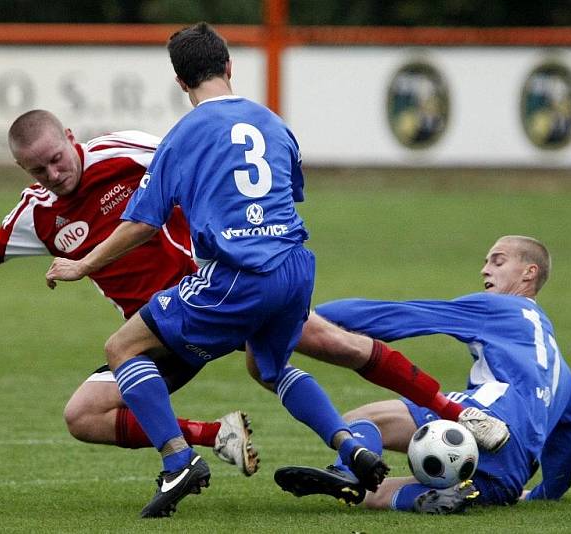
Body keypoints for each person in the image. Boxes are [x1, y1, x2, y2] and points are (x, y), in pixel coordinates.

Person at [44, 22, 389, 518]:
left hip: (237, 275)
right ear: (229, 67)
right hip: (295, 269)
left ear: (180, 83)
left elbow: (143, 222)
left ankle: (178, 459)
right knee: (267, 367)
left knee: (123, 346)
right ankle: (348, 442)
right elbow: (290, 194)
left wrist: (85, 263)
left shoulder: (182, 137)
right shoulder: (273, 122)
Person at [0, 109, 260, 477]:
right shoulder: (37, 214)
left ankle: (328, 447)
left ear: (70, 137)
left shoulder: (124, 153)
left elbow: (197, 160)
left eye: (56, 158)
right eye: (38, 169)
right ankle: (215, 435)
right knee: (82, 416)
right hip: (152, 337)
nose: (53, 173)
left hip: (207, 299)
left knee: (306, 338)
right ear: (21, 168)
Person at [274, 235, 571, 514]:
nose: (485, 269)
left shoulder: (500, 308)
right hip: (512, 473)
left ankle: (346, 470)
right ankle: (430, 498)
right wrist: (544, 493)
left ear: (529, 272)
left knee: (364, 419)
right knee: (371, 497)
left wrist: (307, 319)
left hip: (488, 420)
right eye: (486, 262)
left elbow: (400, 316)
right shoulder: (557, 363)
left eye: (498, 261)